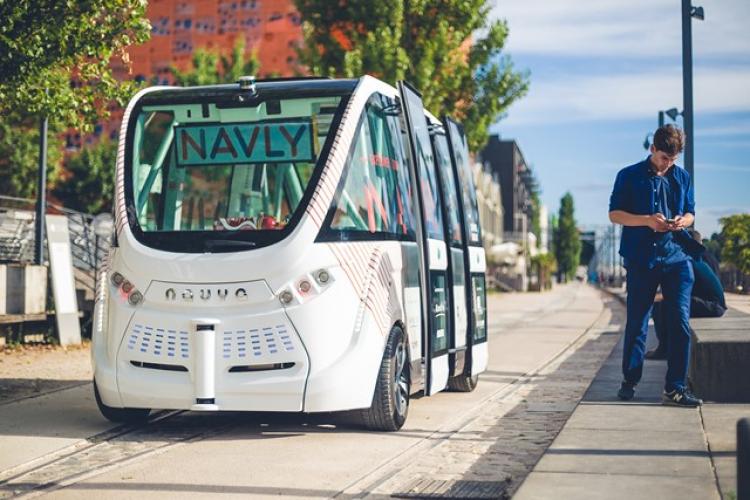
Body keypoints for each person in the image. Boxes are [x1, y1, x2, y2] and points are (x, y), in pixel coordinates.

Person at [608, 124, 704, 407]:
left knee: (680, 322)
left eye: (673, 160)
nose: (667, 164)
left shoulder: (682, 177)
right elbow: (615, 214)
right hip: (641, 258)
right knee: (638, 322)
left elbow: (690, 212)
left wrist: (682, 221)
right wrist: (647, 221)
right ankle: (630, 380)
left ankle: (675, 387)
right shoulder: (628, 175)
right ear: (652, 149)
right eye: (664, 158)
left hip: (677, 257)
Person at [647, 230, 726, 359]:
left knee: (663, 306)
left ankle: (664, 349)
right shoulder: (698, 257)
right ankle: (668, 347)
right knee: (667, 304)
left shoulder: (686, 260)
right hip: (712, 303)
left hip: (713, 306)